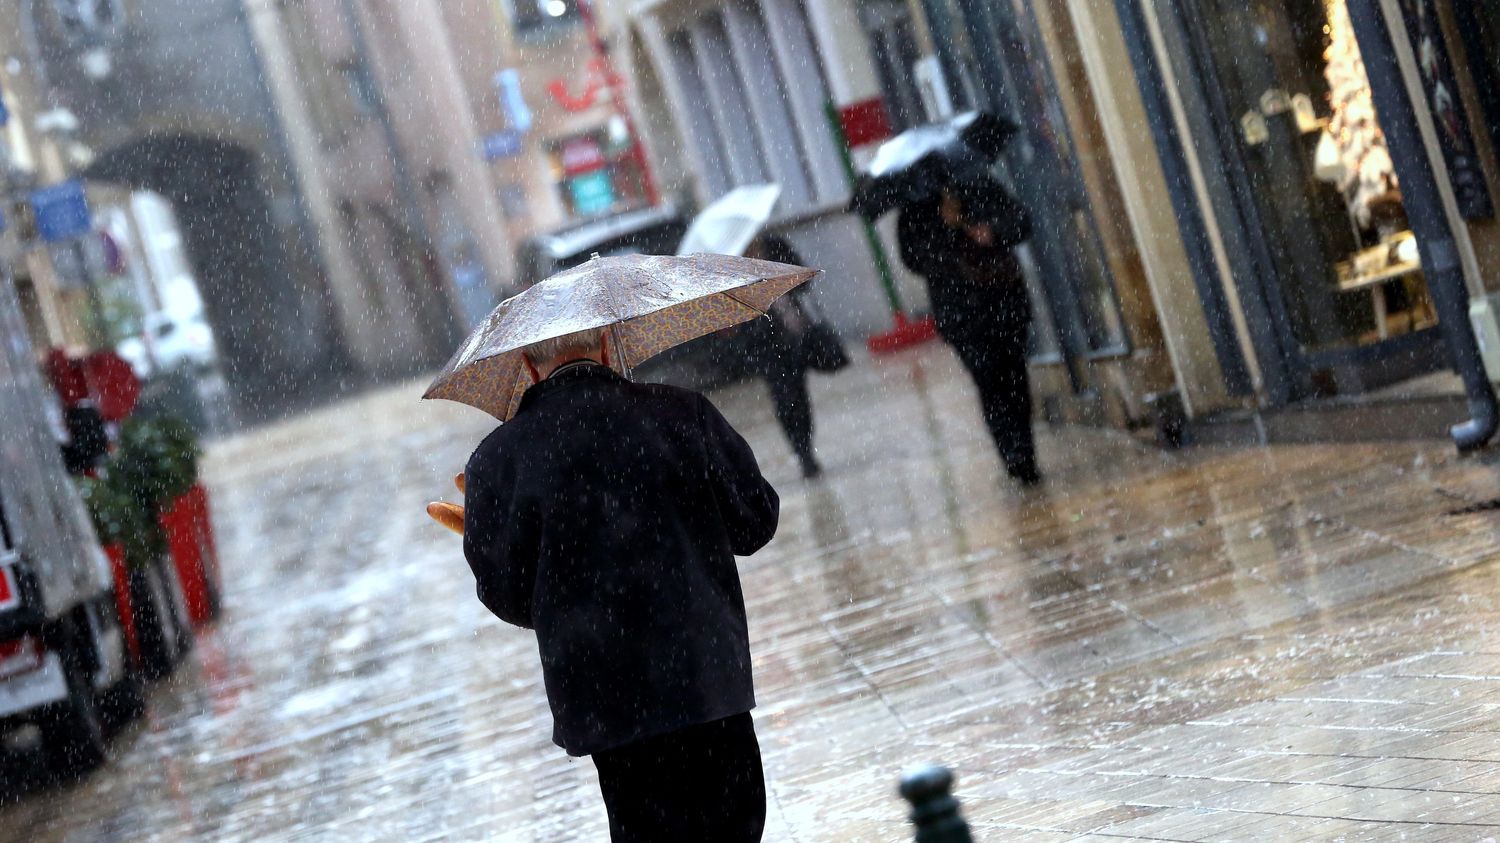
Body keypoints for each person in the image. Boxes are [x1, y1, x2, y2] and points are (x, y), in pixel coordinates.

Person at [461, 326, 779, 842]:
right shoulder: (682, 413)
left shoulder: (499, 459)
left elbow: (508, 595)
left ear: (527, 363)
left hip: (606, 700)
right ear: (609, 346)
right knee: (734, 825)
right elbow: (755, 522)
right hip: (705, 675)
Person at [897, 173, 1041, 485]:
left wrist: (992, 231)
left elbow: (1021, 222)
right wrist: (946, 229)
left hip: (1005, 303)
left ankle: (1025, 450)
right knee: (988, 381)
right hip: (961, 315)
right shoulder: (914, 205)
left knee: (1015, 380)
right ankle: (1012, 452)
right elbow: (913, 260)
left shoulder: (982, 184)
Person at [741, 235, 822, 478]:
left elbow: (804, 281)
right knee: (783, 396)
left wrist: (778, 279)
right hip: (763, 344)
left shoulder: (775, 246)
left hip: (793, 334)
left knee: (799, 394)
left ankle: (806, 446)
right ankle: (801, 451)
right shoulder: (731, 263)